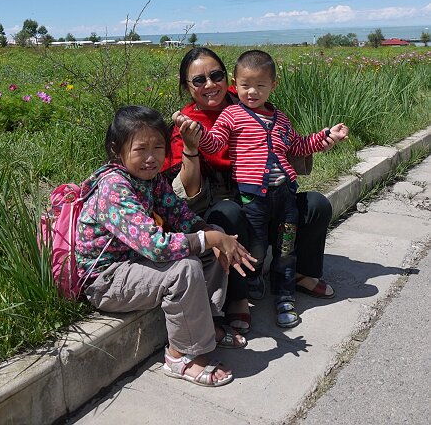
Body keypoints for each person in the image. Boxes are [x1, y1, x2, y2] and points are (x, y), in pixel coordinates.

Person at [75, 105, 255, 388]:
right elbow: (156, 246)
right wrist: (209, 239)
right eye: (140, 149)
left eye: (159, 147)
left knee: (213, 239)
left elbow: (180, 215)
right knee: (185, 268)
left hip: (137, 264)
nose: (151, 158)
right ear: (116, 150)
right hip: (107, 280)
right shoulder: (114, 187)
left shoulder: (152, 181)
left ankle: (207, 323)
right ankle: (181, 355)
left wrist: (212, 233)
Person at [165, 47, 343, 333]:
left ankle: (296, 275)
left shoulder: (258, 107)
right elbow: (193, 180)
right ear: (187, 87)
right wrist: (192, 144)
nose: (210, 85)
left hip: (275, 194)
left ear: (228, 78)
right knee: (229, 215)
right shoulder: (195, 123)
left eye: (216, 75)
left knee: (315, 205)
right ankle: (239, 294)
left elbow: (292, 145)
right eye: (199, 80)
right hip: (227, 200)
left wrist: (324, 138)